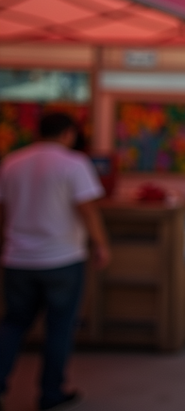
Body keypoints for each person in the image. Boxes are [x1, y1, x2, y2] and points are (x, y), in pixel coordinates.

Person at [0, 113, 111, 410]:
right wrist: (101, 244)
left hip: (17, 258)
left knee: (13, 324)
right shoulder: (74, 164)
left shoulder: (12, 161)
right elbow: (87, 209)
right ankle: (51, 393)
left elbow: (4, 208)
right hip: (62, 258)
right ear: (68, 134)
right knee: (59, 328)